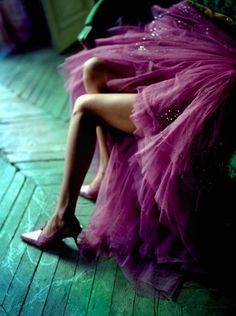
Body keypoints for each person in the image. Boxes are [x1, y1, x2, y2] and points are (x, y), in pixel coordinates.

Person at [21, 0, 236, 299]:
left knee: (85, 109)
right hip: (193, 50)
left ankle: (62, 219)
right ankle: (105, 176)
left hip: (215, 81)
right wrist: (95, 19)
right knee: (94, 68)